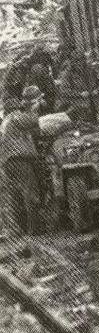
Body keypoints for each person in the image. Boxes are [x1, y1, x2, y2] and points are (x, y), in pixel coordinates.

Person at [0, 85, 46, 236]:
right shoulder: (15, 116)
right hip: (19, 158)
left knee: (15, 195)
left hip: (8, 161)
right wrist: (35, 107)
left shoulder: (6, 121)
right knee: (30, 191)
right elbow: (33, 121)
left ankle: (18, 230)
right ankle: (35, 229)